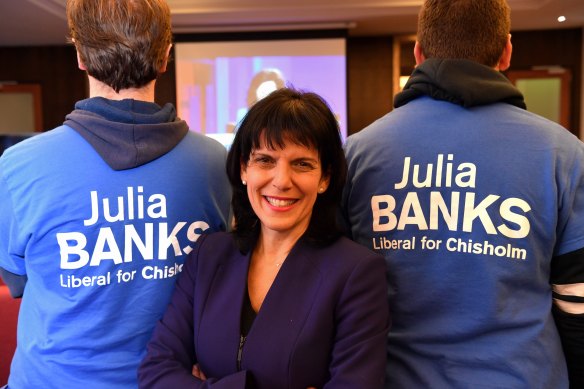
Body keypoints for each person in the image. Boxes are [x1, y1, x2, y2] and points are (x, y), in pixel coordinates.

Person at [341, 0, 584, 388]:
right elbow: (577, 298)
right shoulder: (564, 153)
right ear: (506, 51)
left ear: (419, 53)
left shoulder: (357, 152)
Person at [0, 0, 231, 387]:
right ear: (165, 57)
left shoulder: (18, 166)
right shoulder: (215, 163)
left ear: (79, 56)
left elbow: (19, 278)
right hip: (171, 378)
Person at [138, 88, 390, 388]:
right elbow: (155, 373)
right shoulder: (209, 254)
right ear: (244, 168)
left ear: (325, 178)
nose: (282, 181)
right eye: (265, 160)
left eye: (302, 164)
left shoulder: (356, 273)